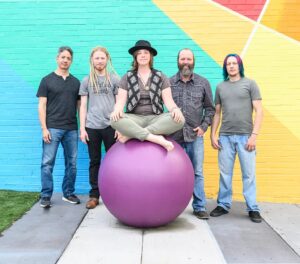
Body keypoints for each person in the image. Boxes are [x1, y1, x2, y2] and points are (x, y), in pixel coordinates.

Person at [210, 53, 263, 223]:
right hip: (225, 137)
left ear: (239, 66)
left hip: (246, 137)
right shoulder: (220, 87)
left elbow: (259, 111)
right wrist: (213, 134)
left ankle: (253, 208)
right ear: (225, 67)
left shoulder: (250, 84)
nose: (231, 66)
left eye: (234, 63)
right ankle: (223, 204)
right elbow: (217, 113)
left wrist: (253, 136)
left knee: (249, 175)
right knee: (225, 174)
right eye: (228, 64)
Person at [110, 40, 184, 151]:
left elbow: (169, 101)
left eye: (146, 52)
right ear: (135, 57)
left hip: (156, 118)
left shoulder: (161, 76)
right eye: (139, 53)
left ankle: (131, 135)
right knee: (113, 119)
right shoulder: (127, 77)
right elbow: (120, 102)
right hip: (134, 118)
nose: (143, 55)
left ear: (151, 56)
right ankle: (154, 138)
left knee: (180, 119)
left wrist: (175, 109)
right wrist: (117, 110)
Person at [169, 48, 215, 220]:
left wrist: (204, 127)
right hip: (173, 137)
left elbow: (210, 109)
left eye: (188, 59)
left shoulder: (203, 83)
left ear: (193, 61)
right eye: (183, 59)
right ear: (178, 61)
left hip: (195, 136)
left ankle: (199, 206)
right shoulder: (169, 82)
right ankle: (171, 205)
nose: (186, 62)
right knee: (172, 173)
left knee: (197, 172)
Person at [37, 46, 81, 208]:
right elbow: (41, 105)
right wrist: (44, 128)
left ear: (71, 61)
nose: (65, 60)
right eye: (63, 57)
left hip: (71, 129)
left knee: (72, 163)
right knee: (47, 163)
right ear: (57, 58)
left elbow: (80, 107)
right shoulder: (46, 80)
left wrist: (81, 127)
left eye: (68, 58)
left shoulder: (76, 82)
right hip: (52, 128)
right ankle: (46, 195)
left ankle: (68, 193)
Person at [79, 47, 119, 209]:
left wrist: (119, 127)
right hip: (92, 127)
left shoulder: (115, 79)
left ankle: (115, 193)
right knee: (94, 161)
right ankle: (94, 195)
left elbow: (119, 105)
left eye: (102, 58)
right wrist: (82, 129)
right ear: (92, 60)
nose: (100, 61)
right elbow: (83, 106)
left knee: (114, 162)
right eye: (97, 58)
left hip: (111, 126)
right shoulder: (86, 81)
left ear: (107, 59)